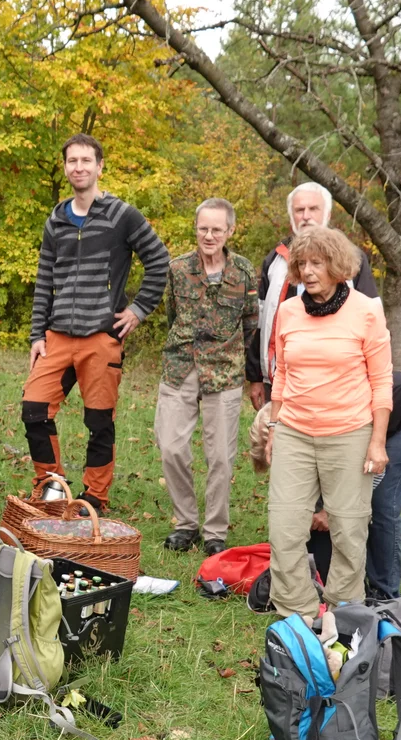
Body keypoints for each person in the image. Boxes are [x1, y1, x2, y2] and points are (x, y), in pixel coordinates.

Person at [23, 133, 171, 513]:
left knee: (99, 421)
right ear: (66, 167)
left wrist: (138, 310)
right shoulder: (56, 218)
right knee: (34, 409)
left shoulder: (123, 216)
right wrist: (37, 333)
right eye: (72, 161)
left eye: (86, 161)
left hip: (101, 338)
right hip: (56, 337)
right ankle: (51, 488)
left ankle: (95, 497)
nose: (79, 167)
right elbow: (44, 279)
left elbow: (159, 261)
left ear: (100, 166)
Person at [262, 227, 393, 621]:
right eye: (302, 263)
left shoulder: (367, 311)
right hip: (294, 433)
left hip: (350, 434)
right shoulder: (287, 311)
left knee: (349, 533)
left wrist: (378, 442)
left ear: (338, 266)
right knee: (284, 529)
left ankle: (343, 613)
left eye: (317, 262)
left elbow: (382, 381)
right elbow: (281, 373)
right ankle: (296, 614)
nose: (309, 270)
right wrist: (273, 426)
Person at [156, 198, 257, 555]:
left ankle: (215, 531)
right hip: (180, 366)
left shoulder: (243, 271)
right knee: (170, 446)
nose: (209, 235)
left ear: (229, 231)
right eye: (203, 228)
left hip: (225, 371)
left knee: (221, 457)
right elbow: (172, 314)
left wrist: (232, 358)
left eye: (216, 229)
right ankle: (185, 524)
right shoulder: (178, 268)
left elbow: (250, 323)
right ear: (195, 228)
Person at [305, 370, 401, 601]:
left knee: (382, 502)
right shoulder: (304, 417)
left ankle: (385, 594)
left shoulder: (340, 419)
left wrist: (329, 511)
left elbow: (372, 471)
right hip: (375, 416)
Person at [247, 182, 378, 410]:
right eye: (299, 210)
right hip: (280, 379)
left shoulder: (353, 259)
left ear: (327, 213)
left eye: (313, 209)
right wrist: (256, 376)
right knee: (276, 442)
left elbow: (374, 322)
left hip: (338, 383)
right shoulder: (275, 260)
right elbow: (260, 322)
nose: (306, 216)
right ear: (292, 217)